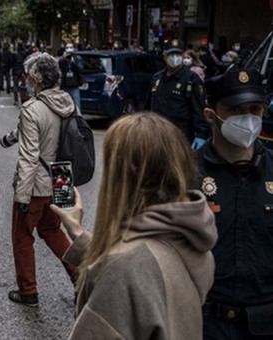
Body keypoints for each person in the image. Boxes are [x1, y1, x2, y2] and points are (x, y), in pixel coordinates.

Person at [51, 113, 217, 339]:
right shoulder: (191, 240)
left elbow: (133, 268)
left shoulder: (124, 270)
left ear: (120, 177)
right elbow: (150, 271)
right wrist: (77, 232)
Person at [198, 67, 273, 339]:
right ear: (211, 115)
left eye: (255, 109)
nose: (248, 118)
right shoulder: (187, 173)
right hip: (208, 322)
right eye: (236, 110)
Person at [8, 53, 77, 307]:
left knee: (23, 236)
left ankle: (28, 291)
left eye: (28, 77)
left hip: (37, 181)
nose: (26, 81)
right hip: (62, 176)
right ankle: (80, 278)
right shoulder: (67, 102)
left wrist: (22, 196)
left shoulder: (31, 109)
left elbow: (29, 157)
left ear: (36, 79)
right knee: (53, 230)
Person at [149, 41, 209, 150]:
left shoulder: (192, 79)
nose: (174, 58)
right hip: (157, 133)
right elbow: (149, 105)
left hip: (181, 135)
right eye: (171, 55)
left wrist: (201, 134)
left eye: (178, 54)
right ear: (164, 56)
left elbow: (199, 108)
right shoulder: (157, 78)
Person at [58, 43, 84, 109]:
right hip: (65, 85)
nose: (69, 49)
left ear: (74, 49)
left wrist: (73, 63)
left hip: (74, 85)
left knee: (76, 105)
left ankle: (77, 118)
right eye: (67, 48)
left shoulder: (77, 58)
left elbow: (80, 69)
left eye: (71, 47)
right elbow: (59, 68)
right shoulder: (63, 59)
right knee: (64, 106)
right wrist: (63, 59)